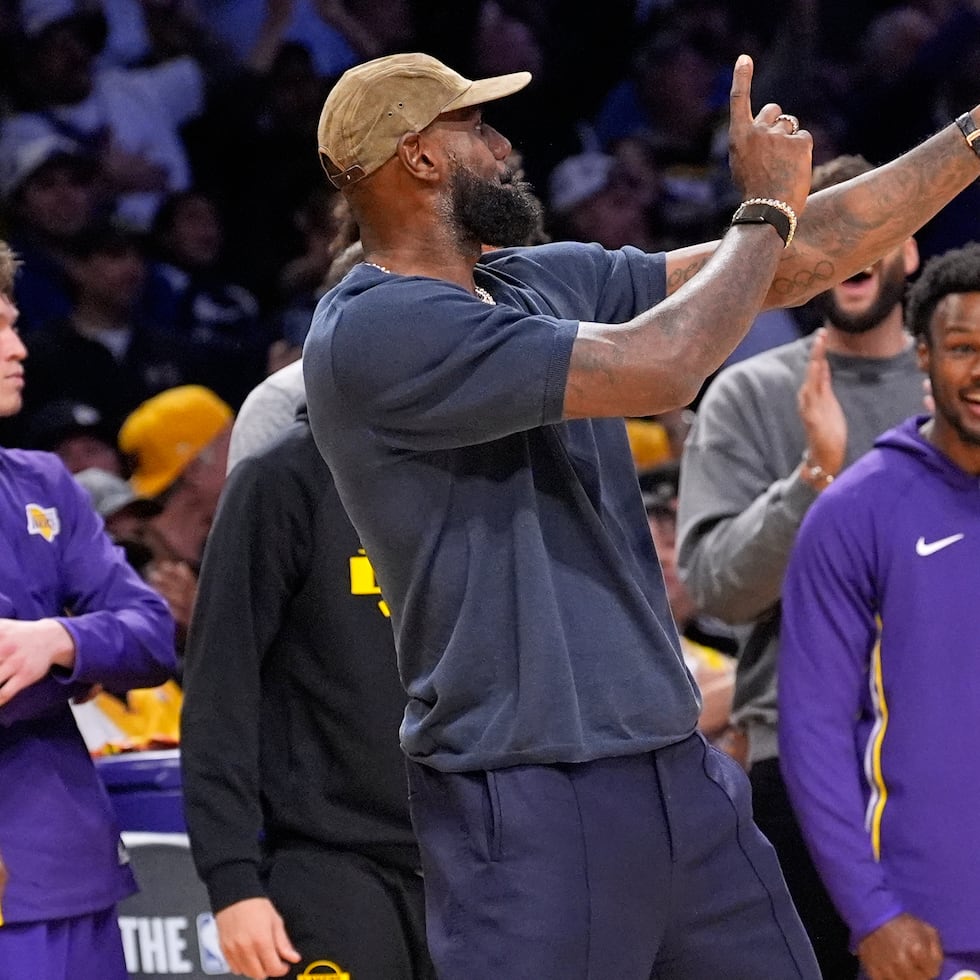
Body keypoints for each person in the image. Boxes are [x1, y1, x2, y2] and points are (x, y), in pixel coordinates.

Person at [301, 51, 980, 979]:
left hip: (672, 766)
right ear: (420, 159)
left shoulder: (535, 281)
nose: (506, 147)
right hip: (526, 784)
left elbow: (801, 259)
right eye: (479, 130)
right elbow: (663, 366)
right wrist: (763, 208)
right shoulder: (373, 332)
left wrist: (970, 138)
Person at [676, 153, 927, 978]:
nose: (853, 251)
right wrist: (811, 480)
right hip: (801, 755)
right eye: (828, 233)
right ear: (797, 260)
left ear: (911, 248)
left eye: (875, 229)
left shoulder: (957, 395)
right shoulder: (749, 395)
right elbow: (717, 588)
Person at [778, 241, 980, 980]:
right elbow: (813, 731)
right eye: (962, 348)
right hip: (931, 933)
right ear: (923, 359)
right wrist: (871, 913)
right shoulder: (859, 511)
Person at [182, 406, 435, 980]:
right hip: (332, 864)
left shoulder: (476, 475)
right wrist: (232, 880)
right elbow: (221, 691)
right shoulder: (282, 478)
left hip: (476, 863)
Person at [0, 238, 177, 978]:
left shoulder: (43, 482)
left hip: (61, 861)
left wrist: (58, 642)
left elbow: (151, 632)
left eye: (14, 322)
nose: (19, 347)